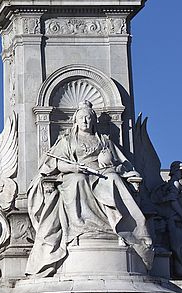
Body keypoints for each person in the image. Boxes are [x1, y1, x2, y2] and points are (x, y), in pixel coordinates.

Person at [26, 101, 154, 276]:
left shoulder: (104, 141)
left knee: (114, 179)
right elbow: (56, 162)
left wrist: (117, 169)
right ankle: (79, 229)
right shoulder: (67, 140)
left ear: (93, 120)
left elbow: (121, 162)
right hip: (75, 173)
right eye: (82, 118)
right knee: (78, 181)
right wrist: (74, 168)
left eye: (88, 117)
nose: (85, 121)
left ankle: (127, 228)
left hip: (101, 173)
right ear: (76, 121)